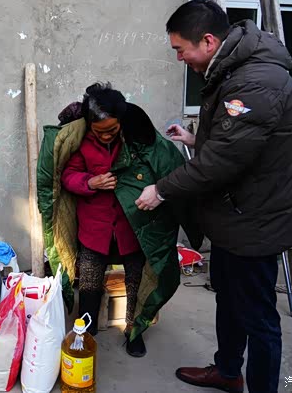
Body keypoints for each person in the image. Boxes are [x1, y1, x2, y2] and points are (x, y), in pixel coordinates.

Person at [135, 0, 292, 393]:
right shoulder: (232, 71)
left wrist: (161, 189)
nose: (179, 58)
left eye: (181, 49)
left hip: (255, 221)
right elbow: (239, 143)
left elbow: (221, 162)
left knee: (258, 317)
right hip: (234, 216)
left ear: (208, 41)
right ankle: (228, 371)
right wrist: (196, 140)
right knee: (228, 299)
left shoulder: (256, 82)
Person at [59, 82, 194, 357]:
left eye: (112, 129)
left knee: (136, 282)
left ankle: (134, 331)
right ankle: (87, 329)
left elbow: (163, 168)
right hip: (94, 228)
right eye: (99, 131)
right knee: (89, 282)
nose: (106, 135)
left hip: (132, 226)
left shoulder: (137, 140)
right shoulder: (81, 142)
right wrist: (90, 182)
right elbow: (68, 176)